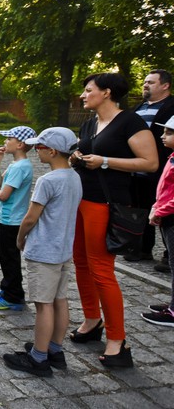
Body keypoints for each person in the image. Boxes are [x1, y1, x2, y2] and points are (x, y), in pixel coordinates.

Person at [69, 72, 157, 369]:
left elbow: (150, 162)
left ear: (106, 92)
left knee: (101, 270)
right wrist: (76, 157)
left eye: (88, 90)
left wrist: (105, 162)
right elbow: (85, 152)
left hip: (106, 204)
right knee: (80, 262)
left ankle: (118, 341)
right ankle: (92, 319)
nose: (83, 95)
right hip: (81, 199)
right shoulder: (89, 123)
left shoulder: (130, 122)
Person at [2, 127, 82, 377]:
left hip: (44, 251)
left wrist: (20, 238)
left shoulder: (48, 181)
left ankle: (38, 357)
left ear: (53, 151)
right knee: (60, 299)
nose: (36, 151)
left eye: (39, 147)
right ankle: (54, 348)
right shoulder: (74, 176)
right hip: (63, 249)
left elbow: (30, 217)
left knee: (43, 305)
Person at [127, 69, 174, 266]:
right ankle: (143, 248)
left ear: (165, 85)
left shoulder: (171, 106)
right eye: (145, 82)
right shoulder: (139, 108)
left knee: (165, 210)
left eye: (151, 82)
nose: (145, 85)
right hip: (138, 169)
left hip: (164, 167)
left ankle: (169, 254)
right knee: (141, 209)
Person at [0, 126, 36, 311]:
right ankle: (8, 288)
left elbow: (3, 194)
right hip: (9, 218)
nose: (5, 142)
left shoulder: (19, 167)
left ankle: (13, 296)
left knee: (9, 258)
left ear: (20, 144)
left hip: (11, 219)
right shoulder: (16, 165)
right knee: (7, 257)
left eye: (9, 139)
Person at [142, 116, 174, 326]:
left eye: (169, 133)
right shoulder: (172, 156)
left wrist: (160, 211)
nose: (163, 136)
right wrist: (156, 206)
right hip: (167, 215)